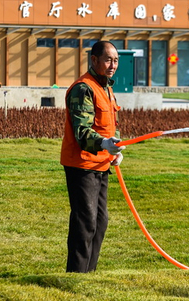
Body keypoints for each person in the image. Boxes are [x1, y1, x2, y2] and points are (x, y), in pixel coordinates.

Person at [60, 41, 125, 273]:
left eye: (116, 60)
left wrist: (114, 148)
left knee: (100, 221)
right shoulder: (83, 88)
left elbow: (109, 125)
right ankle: (76, 274)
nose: (113, 65)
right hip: (82, 165)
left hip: (101, 163)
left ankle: (89, 273)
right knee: (85, 222)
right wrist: (104, 144)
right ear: (94, 60)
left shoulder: (106, 87)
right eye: (108, 60)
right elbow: (82, 131)